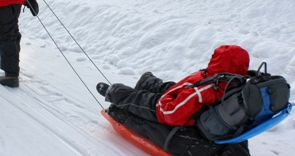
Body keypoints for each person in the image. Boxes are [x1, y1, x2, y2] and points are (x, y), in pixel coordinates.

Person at [97, 45, 250, 126]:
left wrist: (160, 102)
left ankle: (114, 92)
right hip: (185, 96)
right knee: (168, 87)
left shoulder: (204, 90)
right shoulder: (233, 82)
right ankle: (147, 82)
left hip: (169, 108)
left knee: (140, 99)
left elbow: (170, 114)